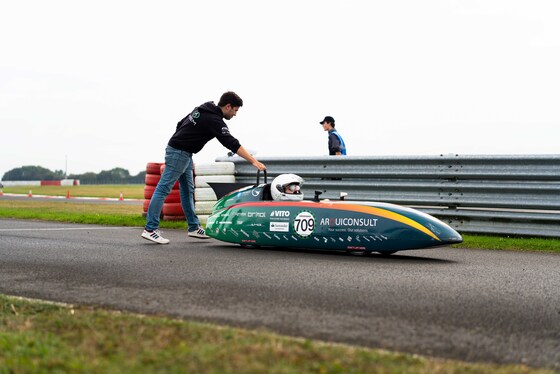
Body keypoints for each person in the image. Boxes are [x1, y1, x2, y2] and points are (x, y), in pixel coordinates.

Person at [142, 91, 266, 244]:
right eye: (235, 110)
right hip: (179, 153)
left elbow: (180, 123)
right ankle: (150, 229)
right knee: (163, 188)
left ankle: (193, 227)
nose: (235, 115)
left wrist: (184, 141)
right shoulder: (214, 120)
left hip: (184, 152)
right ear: (228, 106)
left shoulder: (203, 108)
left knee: (188, 190)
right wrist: (253, 161)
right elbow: (231, 142)